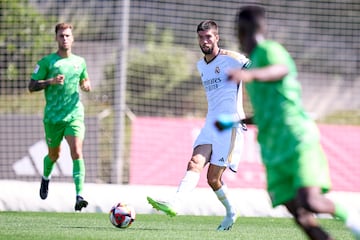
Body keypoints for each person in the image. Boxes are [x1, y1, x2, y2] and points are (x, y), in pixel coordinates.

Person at [227, 6, 360, 239]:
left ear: (242, 30)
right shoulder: (254, 62)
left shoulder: (269, 50)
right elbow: (268, 110)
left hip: (296, 138)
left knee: (311, 201)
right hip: (272, 149)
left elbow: (281, 69)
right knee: (298, 213)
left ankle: (354, 218)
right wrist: (240, 120)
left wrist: (250, 75)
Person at [147, 20, 250, 231]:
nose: (205, 41)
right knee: (194, 162)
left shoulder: (233, 59)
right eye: (201, 37)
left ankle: (231, 212)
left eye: (209, 37)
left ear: (217, 38)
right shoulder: (201, 65)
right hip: (210, 124)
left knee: (213, 178)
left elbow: (257, 68)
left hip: (230, 126)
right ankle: (175, 204)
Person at [28, 23, 91, 212]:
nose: (65, 39)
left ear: (73, 38)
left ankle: (80, 196)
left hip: (74, 115)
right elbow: (31, 86)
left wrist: (86, 84)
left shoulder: (80, 62)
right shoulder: (48, 62)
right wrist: (50, 81)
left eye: (68, 35)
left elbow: (84, 79)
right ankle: (46, 177)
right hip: (53, 118)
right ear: (56, 38)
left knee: (77, 152)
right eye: (61, 36)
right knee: (54, 155)